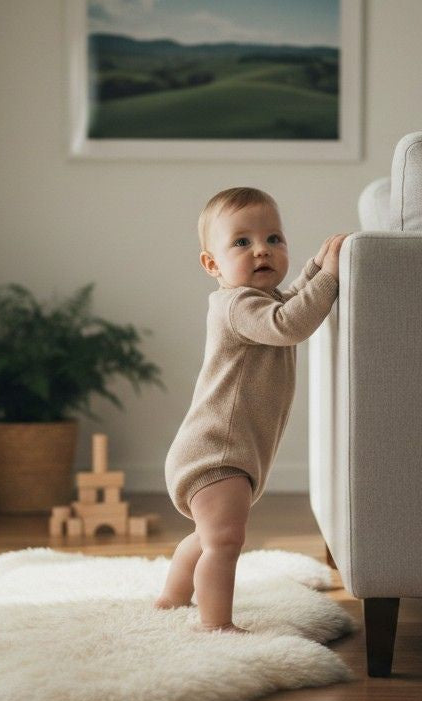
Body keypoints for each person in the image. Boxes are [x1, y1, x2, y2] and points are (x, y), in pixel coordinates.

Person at [155, 185, 346, 634]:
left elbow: (290, 300)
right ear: (212, 264)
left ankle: (171, 597)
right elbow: (290, 323)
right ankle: (215, 623)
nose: (262, 250)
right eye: (242, 242)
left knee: (206, 538)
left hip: (219, 452)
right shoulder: (236, 304)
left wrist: (315, 268)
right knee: (224, 541)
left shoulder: (261, 299)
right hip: (215, 454)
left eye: (274, 239)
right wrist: (330, 279)